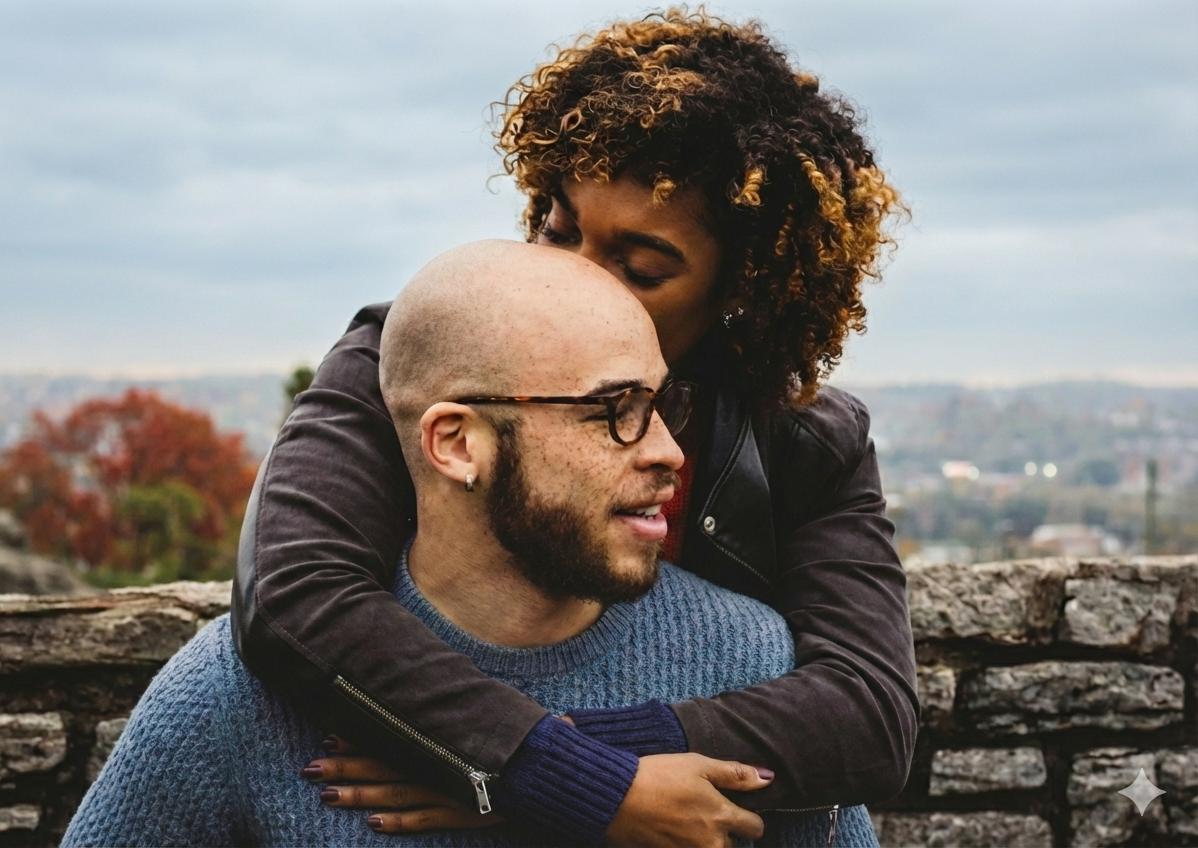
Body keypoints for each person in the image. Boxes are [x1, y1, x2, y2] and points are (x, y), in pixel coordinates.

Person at [235, 9, 916, 846]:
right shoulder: (416, 355)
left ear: (740, 291)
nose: (574, 278)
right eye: (558, 230)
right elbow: (294, 593)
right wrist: (549, 774)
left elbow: (869, 714)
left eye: (641, 268)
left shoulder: (805, 439)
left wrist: (568, 771)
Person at [63, 241, 879, 848]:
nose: (667, 450)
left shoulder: (748, 660)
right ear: (456, 443)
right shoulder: (238, 697)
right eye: (615, 410)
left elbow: (871, 715)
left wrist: (552, 770)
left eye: (665, 405)